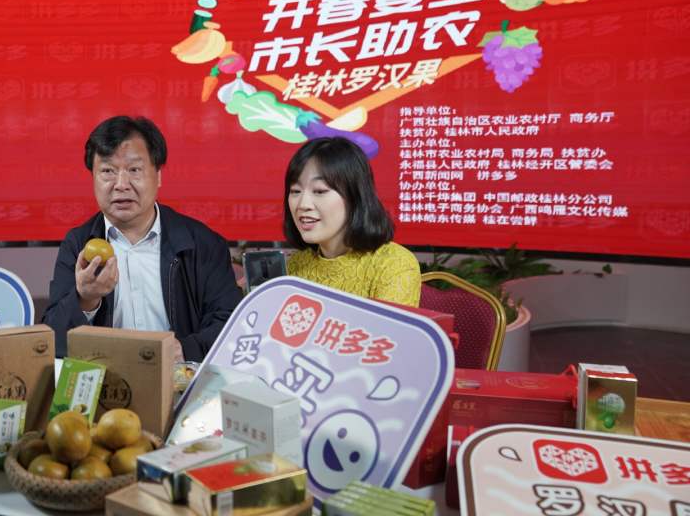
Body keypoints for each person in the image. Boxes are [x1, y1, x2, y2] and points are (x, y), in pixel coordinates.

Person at [43, 116, 242, 362]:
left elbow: (230, 323)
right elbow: (52, 341)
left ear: (158, 175)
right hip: (106, 380)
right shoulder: (79, 245)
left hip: (181, 379)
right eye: (108, 171)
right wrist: (85, 299)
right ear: (93, 178)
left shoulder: (202, 244)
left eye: (134, 170)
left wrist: (185, 349)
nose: (121, 185)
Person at [283, 137, 420, 306]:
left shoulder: (394, 264)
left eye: (319, 191)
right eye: (295, 191)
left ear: (355, 197)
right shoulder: (296, 265)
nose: (303, 205)